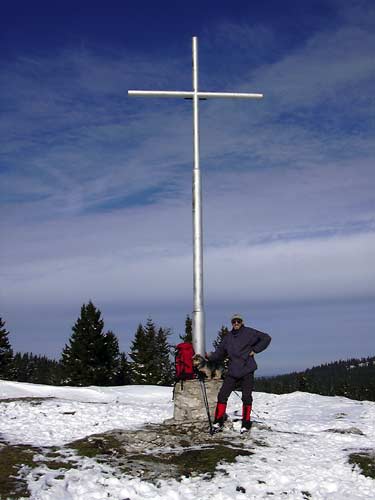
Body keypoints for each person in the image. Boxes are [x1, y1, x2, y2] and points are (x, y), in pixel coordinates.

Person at [208, 313, 271, 433]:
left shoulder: (249, 332)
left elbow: (266, 338)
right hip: (232, 371)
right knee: (222, 395)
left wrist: (255, 350)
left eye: (238, 321)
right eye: (234, 321)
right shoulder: (228, 337)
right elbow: (220, 352)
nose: (236, 323)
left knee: (246, 397)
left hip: (247, 370)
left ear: (242, 322)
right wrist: (209, 358)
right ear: (231, 323)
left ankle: (246, 424)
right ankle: (218, 422)